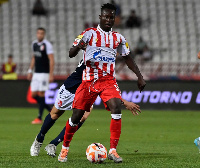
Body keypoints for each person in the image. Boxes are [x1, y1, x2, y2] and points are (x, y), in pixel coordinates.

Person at [58, 3, 146, 163]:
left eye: (111, 17)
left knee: (116, 106)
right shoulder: (88, 34)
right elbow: (71, 54)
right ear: (100, 17)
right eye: (106, 16)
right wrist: (79, 47)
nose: (108, 19)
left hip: (107, 81)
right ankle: (64, 149)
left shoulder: (118, 38)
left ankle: (113, 150)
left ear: (114, 19)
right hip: (88, 80)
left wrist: (139, 76)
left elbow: (128, 58)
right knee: (76, 116)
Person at [30, 59, 141, 157]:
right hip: (71, 87)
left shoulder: (106, 63)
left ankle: (53, 144)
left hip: (85, 91)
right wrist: (125, 102)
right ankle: (39, 139)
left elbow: (108, 89)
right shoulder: (96, 57)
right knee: (55, 113)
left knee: (82, 116)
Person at [27, 27, 54, 124]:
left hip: (44, 73)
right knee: (33, 95)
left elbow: (51, 59)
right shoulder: (34, 44)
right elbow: (34, 57)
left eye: (42, 33)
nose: (40, 35)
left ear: (44, 34)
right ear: (36, 34)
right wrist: (30, 70)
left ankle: (39, 117)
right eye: (38, 33)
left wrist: (51, 74)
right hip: (36, 73)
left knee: (42, 94)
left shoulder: (47, 45)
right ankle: (50, 109)